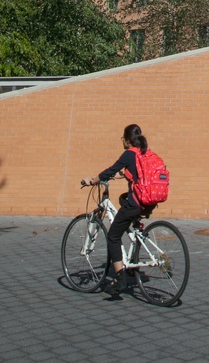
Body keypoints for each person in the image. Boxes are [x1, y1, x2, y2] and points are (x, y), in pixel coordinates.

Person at [83, 123, 153, 296]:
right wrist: (126, 174)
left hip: (136, 202)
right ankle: (132, 259)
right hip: (149, 200)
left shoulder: (129, 154)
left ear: (128, 141)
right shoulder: (145, 153)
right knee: (124, 203)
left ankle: (120, 278)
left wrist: (93, 180)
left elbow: (110, 170)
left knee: (113, 236)